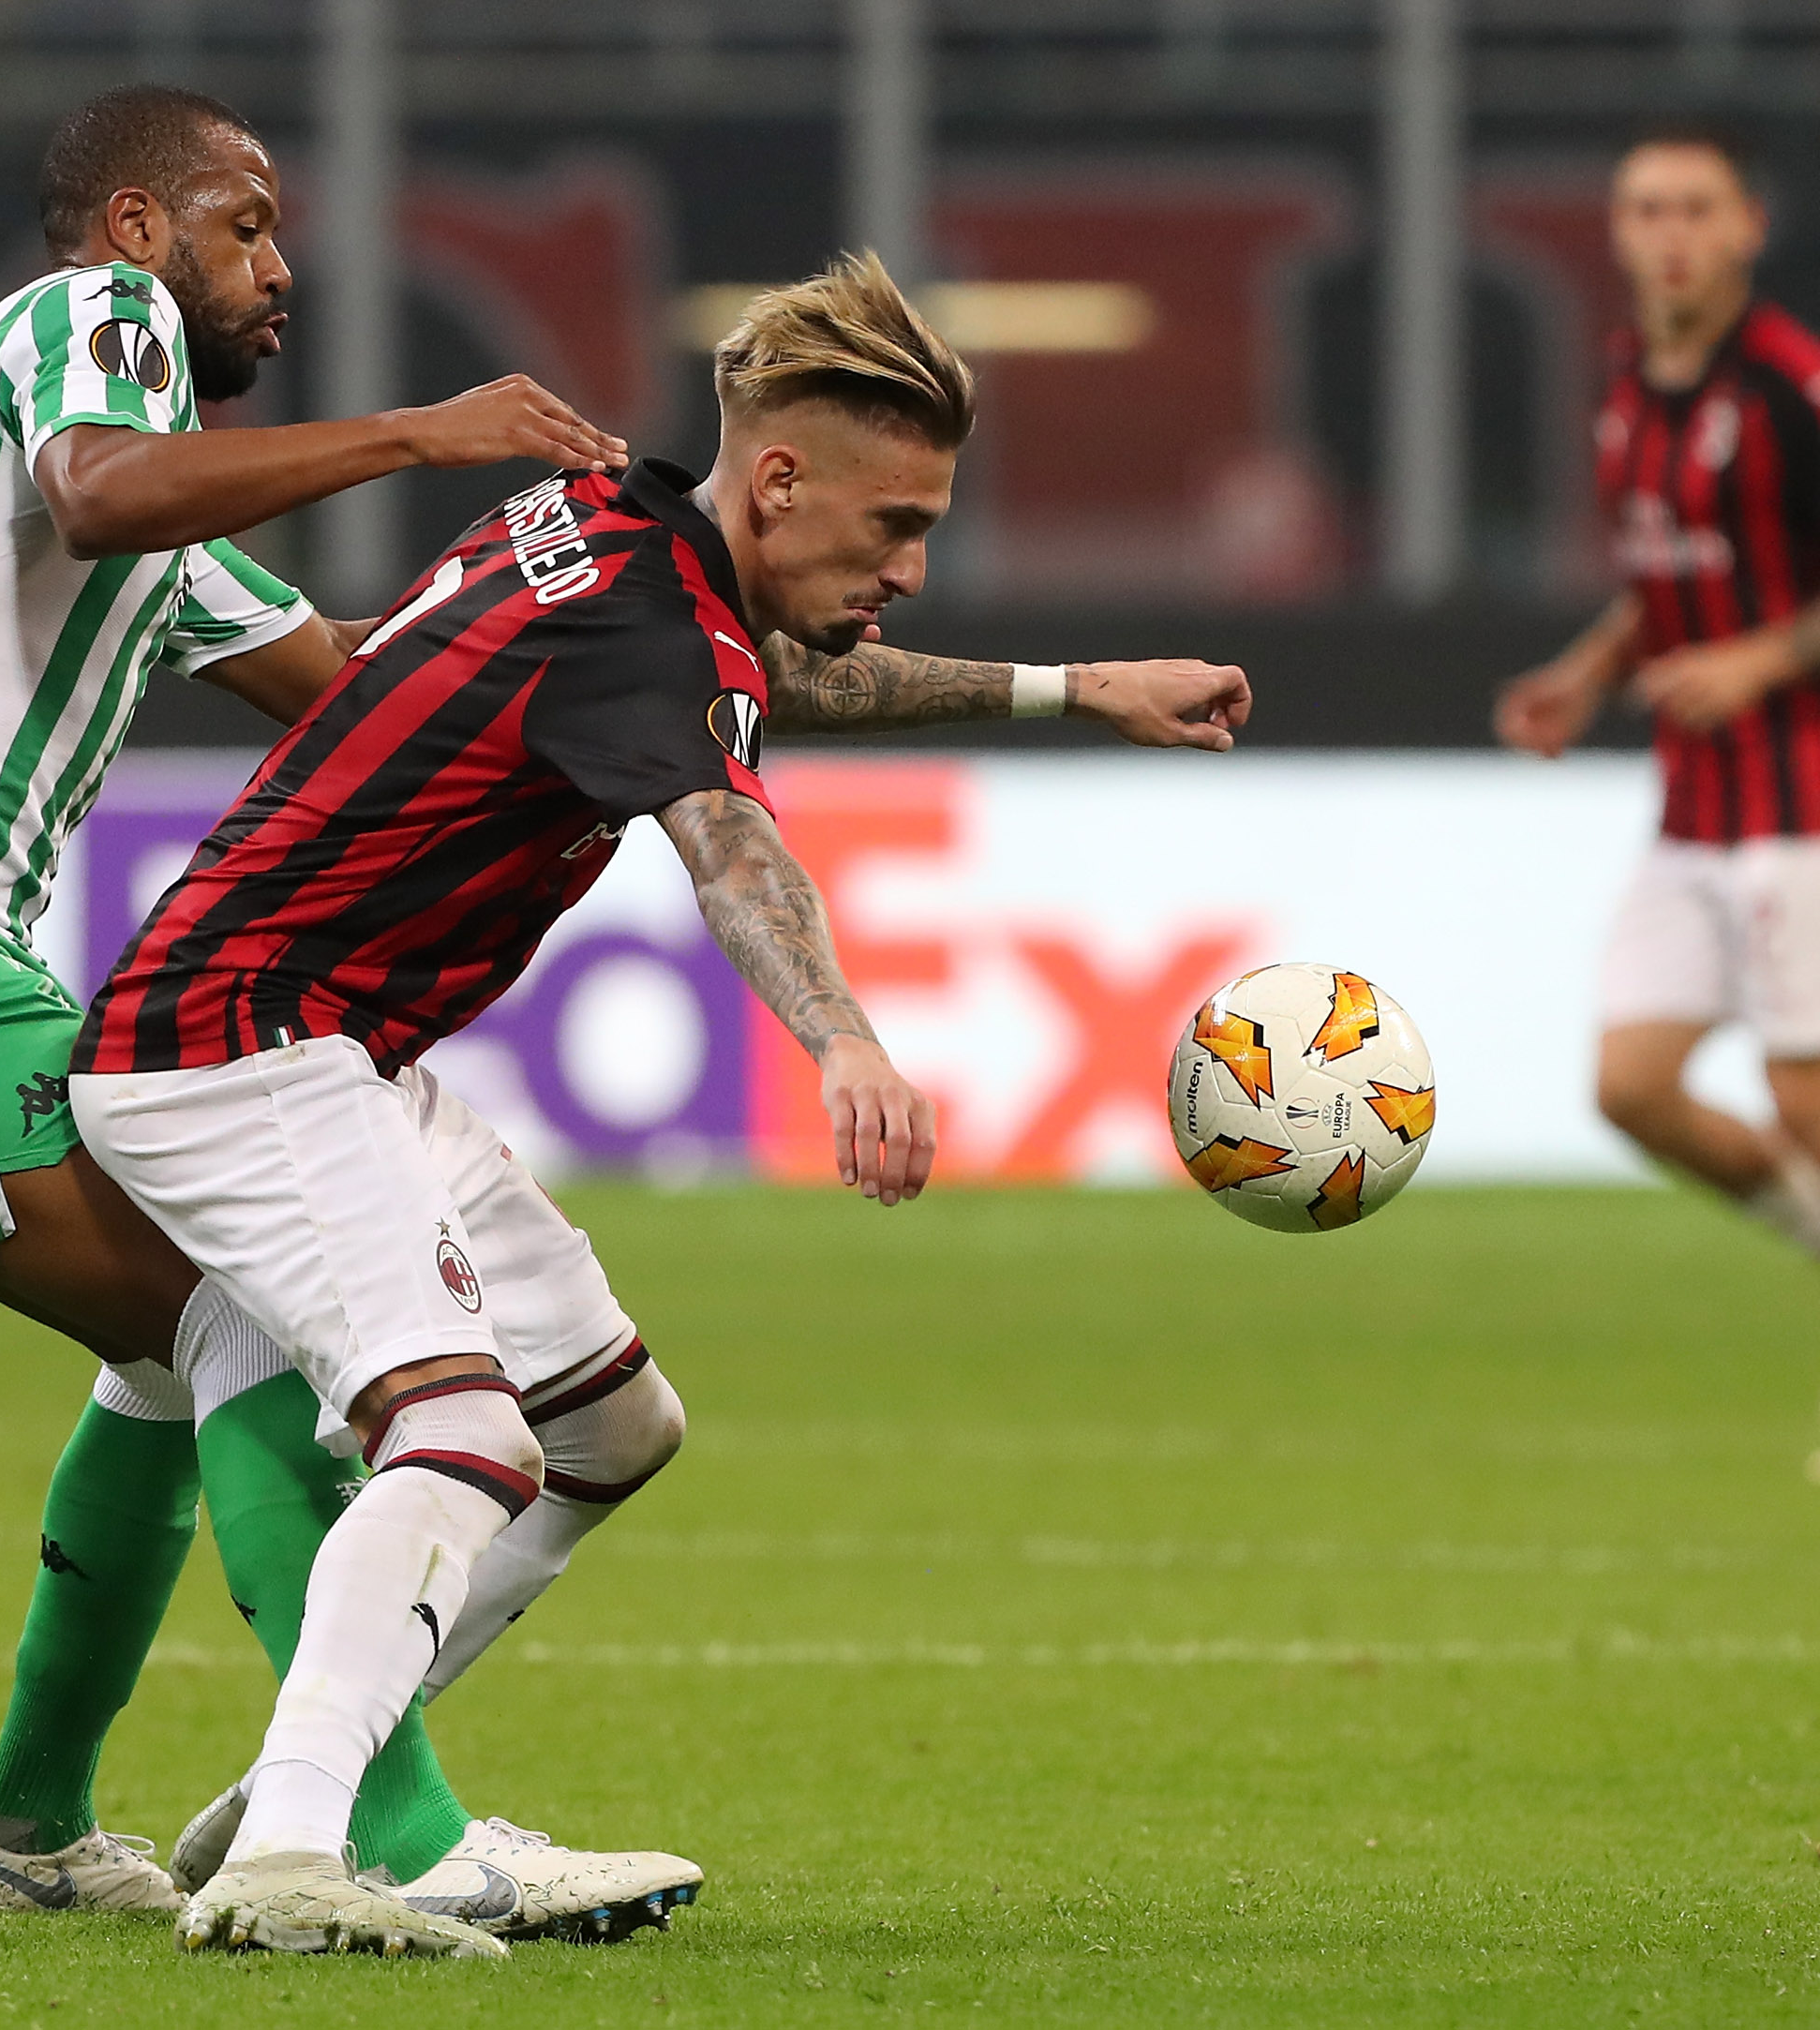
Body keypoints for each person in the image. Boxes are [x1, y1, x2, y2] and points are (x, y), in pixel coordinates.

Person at [67, 252, 1253, 1958]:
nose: (908, 569)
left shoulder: (609, 517)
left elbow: (780, 675)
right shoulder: (643, 611)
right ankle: (300, 1860)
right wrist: (841, 1037)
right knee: (467, 1428)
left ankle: (289, 1788)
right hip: (237, 1041)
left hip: (329, 1044)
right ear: (778, 479)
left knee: (610, 1427)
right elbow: (731, 837)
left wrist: (1078, 691)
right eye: (892, 525)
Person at [0, 83, 700, 1939]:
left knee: (166, 1360)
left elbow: (380, 721)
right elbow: (105, 483)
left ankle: (25, 1835)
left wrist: (658, 697)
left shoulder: (170, 542)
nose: (277, 265)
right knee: (245, 1315)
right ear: (137, 234)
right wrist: (422, 435)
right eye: (243, 225)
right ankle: (389, 1839)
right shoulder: (82, 336)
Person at [1493, 123, 1820, 1483]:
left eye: (1697, 208)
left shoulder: (1792, 384)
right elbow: (1664, 577)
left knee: (1809, 1089)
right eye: (1645, 207)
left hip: (1819, 784)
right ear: (1617, 228)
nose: (1671, 234)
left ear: (1747, 226)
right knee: (1633, 1083)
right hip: (1697, 797)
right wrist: (1589, 674)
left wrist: (1761, 658)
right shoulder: (1626, 387)